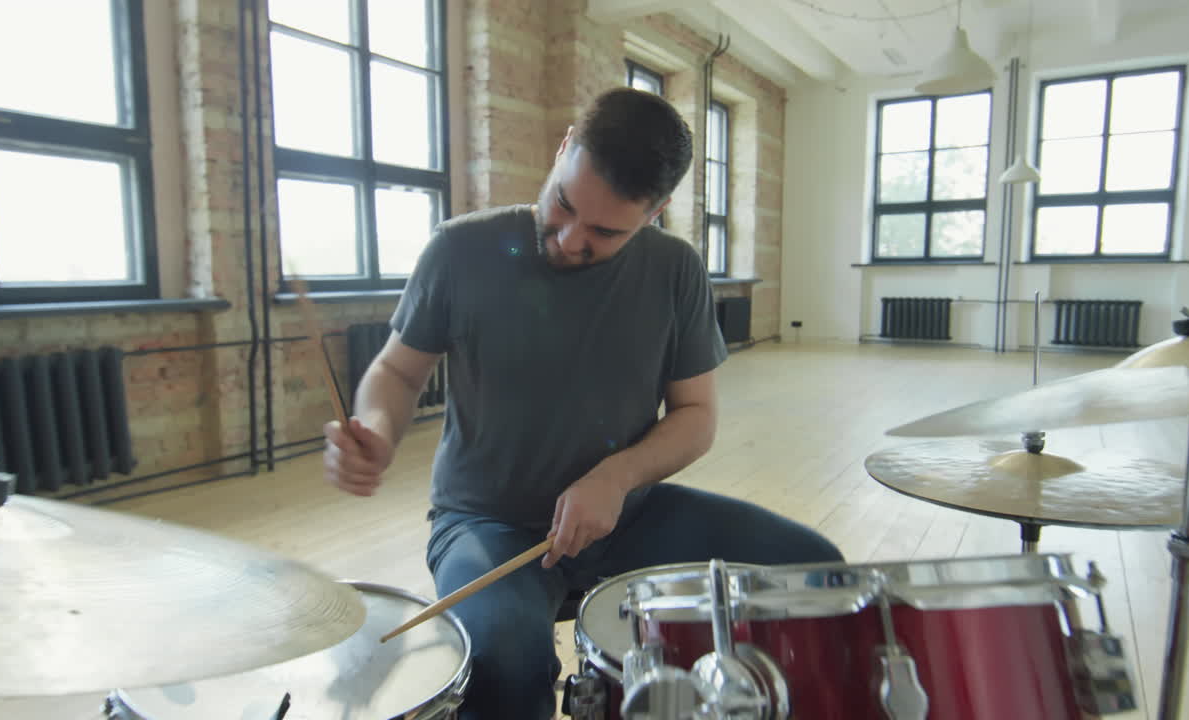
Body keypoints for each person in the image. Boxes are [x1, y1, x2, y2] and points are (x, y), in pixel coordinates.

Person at [323, 87, 842, 719]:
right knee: (506, 657)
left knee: (813, 572)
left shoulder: (676, 271)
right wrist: (375, 427)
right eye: (562, 204)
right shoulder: (460, 251)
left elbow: (697, 416)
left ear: (656, 213)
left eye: (603, 231)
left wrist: (616, 477)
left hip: (628, 511)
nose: (569, 239)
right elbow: (397, 373)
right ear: (564, 147)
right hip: (488, 522)